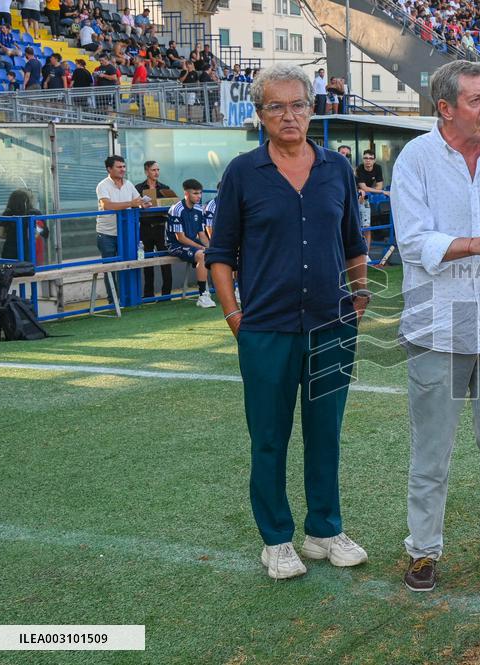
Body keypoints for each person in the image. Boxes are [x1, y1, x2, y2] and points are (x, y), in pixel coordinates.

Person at [206, 63, 370, 580]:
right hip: (266, 330)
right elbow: (221, 252)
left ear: (312, 107)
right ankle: (276, 539)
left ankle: (323, 531)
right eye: (275, 106)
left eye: (297, 104)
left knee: (327, 433)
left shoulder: (337, 169)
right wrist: (234, 314)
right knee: (269, 437)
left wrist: (360, 295)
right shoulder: (242, 172)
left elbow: (353, 244)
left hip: (330, 327)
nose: (288, 115)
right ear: (260, 115)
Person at [392, 60, 480, 593]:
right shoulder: (415, 160)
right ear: (445, 108)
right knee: (432, 452)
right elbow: (412, 242)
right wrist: (477, 244)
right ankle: (423, 552)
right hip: (436, 331)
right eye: (477, 100)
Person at [96, 156, 151, 303]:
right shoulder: (103, 185)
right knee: (110, 268)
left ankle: (128, 300)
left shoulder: (128, 184)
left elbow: (137, 201)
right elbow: (107, 205)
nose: (123, 170)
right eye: (119, 167)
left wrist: (143, 204)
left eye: (124, 167)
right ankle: (113, 301)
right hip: (107, 233)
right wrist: (132, 203)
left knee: (128, 265)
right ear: (109, 169)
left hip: (126, 232)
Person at [166, 179, 214, 307]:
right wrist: (202, 248)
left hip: (192, 244)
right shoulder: (176, 209)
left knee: (215, 252)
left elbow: (202, 234)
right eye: (195, 193)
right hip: (176, 246)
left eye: (200, 193)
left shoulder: (198, 208)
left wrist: (210, 247)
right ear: (186, 193)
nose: (199, 196)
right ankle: (203, 295)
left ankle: (232, 290)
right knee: (202, 255)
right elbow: (180, 238)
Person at [135, 161, 177, 298]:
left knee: (165, 262)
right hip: (145, 229)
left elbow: (174, 204)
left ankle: (166, 295)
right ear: (146, 171)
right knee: (147, 262)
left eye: (158, 169)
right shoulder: (138, 188)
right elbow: (134, 206)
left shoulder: (165, 188)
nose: (156, 172)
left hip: (160, 228)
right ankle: (148, 295)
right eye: (153, 170)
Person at [355, 148, 388, 249]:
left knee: (366, 227)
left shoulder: (377, 168)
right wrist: (382, 192)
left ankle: (366, 254)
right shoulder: (359, 169)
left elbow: (379, 186)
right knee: (356, 228)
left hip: (365, 199)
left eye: (370, 158)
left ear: (374, 160)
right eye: (365, 158)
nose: (368, 160)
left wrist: (369, 190)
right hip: (355, 197)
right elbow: (363, 188)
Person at [0, 189, 43, 261]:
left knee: (8, 270)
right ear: (25, 202)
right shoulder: (30, 215)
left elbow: (0, 234)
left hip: (9, 250)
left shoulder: (7, 213)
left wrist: (11, 236)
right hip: (25, 250)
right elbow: (33, 236)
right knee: (24, 270)